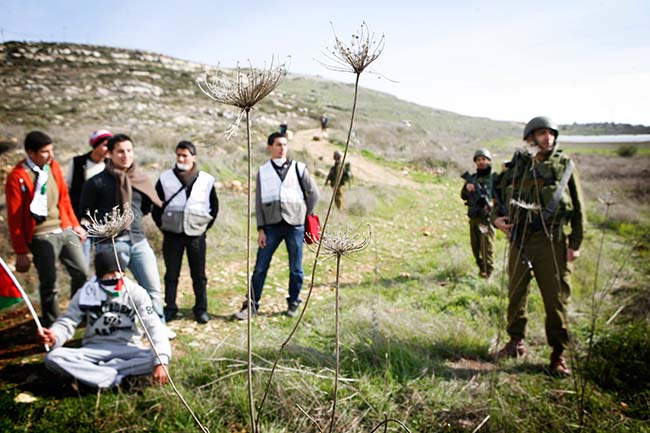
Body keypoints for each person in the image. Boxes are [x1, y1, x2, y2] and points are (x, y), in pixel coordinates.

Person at [492, 116, 585, 375]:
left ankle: (558, 355)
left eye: (551, 133)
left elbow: (579, 208)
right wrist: (495, 219)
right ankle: (515, 343)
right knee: (516, 293)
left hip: (551, 240)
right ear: (529, 138)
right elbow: (497, 198)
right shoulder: (515, 167)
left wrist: (575, 243)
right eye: (542, 133)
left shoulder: (564, 165)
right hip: (520, 238)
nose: (548, 138)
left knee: (555, 298)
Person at [38, 250, 171, 389]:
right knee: (53, 357)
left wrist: (161, 360)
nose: (116, 276)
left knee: (152, 358)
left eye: (119, 271)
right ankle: (119, 379)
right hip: (93, 349)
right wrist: (54, 335)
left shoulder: (136, 292)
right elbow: (68, 320)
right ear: (100, 275)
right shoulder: (86, 292)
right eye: (110, 272)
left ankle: (92, 374)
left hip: (128, 348)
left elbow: (153, 325)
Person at [78, 133, 166, 324]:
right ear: (109, 154)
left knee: (152, 289)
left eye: (129, 151)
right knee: (111, 291)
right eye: (120, 152)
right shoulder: (96, 182)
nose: (126, 155)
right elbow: (85, 212)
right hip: (110, 245)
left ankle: (158, 327)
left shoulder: (141, 179)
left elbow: (145, 208)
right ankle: (112, 331)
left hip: (138, 241)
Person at [5, 131, 89, 327]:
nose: (50, 155)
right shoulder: (17, 177)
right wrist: (21, 252)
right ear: (31, 153)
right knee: (50, 281)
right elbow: (15, 218)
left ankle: (77, 313)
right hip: (41, 235)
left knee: (81, 272)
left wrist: (75, 224)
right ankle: (54, 324)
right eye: (45, 152)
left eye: (51, 150)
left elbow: (64, 198)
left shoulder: (53, 167)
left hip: (64, 228)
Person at [234, 132, 320, 319]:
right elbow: (258, 202)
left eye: (284, 145)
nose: (282, 148)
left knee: (296, 268)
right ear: (270, 147)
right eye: (278, 145)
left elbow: (314, 193)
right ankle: (251, 305)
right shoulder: (263, 171)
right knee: (260, 267)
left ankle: (293, 302)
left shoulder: (299, 168)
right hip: (271, 227)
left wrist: (304, 213)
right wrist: (260, 229)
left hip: (295, 226)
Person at [153, 141, 218, 324]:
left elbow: (214, 206)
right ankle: (170, 308)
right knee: (171, 274)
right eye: (178, 155)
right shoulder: (165, 178)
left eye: (185, 155)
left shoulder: (206, 180)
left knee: (199, 274)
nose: (181, 159)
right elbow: (156, 206)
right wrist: (164, 226)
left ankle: (201, 309)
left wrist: (203, 227)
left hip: (196, 235)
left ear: (193, 158)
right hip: (172, 235)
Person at [66, 129, 112, 265]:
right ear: (95, 145)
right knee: (82, 262)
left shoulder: (111, 165)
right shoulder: (77, 163)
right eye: (105, 145)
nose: (108, 149)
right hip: (82, 222)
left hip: (104, 223)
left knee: (105, 263)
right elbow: (68, 190)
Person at [461, 148, 496, 278]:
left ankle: (489, 272)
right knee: (475, 246)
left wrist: (492, 204)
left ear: (489, 161)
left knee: (486, 246)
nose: (481, 162)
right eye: (479, 160)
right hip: (474, 216)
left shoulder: (494, 178)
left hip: (486, 217)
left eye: (484, 159)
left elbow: (500, 195)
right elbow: (463, 196)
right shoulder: (473, 178)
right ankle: (481, 269)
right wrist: (467, 188)